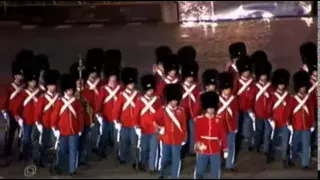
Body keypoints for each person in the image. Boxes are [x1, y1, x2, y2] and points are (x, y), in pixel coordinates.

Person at [51, 73, 84, 176]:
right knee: (63, 150)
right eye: (68, 89)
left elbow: (80, 117)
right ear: (65, 90)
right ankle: (60, 166)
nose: (70, 91)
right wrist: (54, 128)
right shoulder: (60, 102)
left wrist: (80, 129)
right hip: (63, 131)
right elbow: (54, 116)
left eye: (71, 89)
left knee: (74, 150)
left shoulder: (76, 102)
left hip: (74, 131)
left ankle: (72, 170)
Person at [193, 91, 228, 179]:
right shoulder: (199, 119)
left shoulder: (219, 119)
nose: (211, 110)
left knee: (215, 172)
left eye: (213, 108)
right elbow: (197, 134)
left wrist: (225, 148)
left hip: (215, 148)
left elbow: (222, 135)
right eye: (209, 108)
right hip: (203, 147)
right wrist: (199, 144)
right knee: (199, 171)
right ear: (206, 108)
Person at [156, 84, 187, 179]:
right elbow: (155, 120)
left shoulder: (181, 110)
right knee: (165, 158)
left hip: (177, 138)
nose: (174, 102)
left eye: (175, 100)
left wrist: (184, 138)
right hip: (166, 138)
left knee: (176, 159)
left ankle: (175, 176)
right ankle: (162, 173)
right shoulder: (163, 110)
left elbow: (183, 125)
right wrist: (160, 128)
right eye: (172, 100)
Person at [112, 67, 140, 168]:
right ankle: (122, 158)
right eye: (130, 83)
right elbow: (116, 109)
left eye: (133, 83)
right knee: (124, 142)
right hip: (124, 123)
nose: (132, 85)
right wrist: (116, 120)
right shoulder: (122, 95)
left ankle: (134, 160)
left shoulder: (137, 95)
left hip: (133, 124)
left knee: (134, 143)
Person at [1, 53, 27, 160]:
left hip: (22, 113)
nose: (22, 76)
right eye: (20, 74)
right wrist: (4, 111)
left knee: (22, 133)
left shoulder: (25, 87)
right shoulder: (9, 87)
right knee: (10, 133)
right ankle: (7, 151)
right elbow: (4, 100)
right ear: (15, 75)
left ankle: (21, 152)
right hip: (11, 113)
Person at [133, 74, 162, 172]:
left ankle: (151, 167)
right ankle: (142, 163)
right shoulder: (139, 100)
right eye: (149, 89)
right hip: (143, 128)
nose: (151, 91)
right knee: (144, 149)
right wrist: (136, 126)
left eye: (152, 89)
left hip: (154, 128)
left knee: (153, 149)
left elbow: (160, 114)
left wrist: (160, 125)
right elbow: (136, 115)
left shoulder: (157, 100)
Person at [289, 71, 315, 169]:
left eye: (304, 87)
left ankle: (305, 163)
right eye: (301, 87)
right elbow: (290, 112)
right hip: (296, 125)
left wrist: (312, 123)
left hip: (307, 125)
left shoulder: (308, 98)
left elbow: (311, 111)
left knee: (306, 145)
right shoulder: (293, 98)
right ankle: (292, 159)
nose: (303, 89)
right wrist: (289, 123)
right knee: (295, 144)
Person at [34, 69, 60, 167]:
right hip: (45, 125)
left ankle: (52, 161)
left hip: (55, 125)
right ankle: (41, 160)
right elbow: (37, 113)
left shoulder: (59, 97)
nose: (53, 87)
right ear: (48, 86)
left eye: (54, 85)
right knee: (44, 144)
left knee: (54, 144)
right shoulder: (42, 98)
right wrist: (38, 124)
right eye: (52, 85)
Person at [96, 64, 122, 159]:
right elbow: (99, 102)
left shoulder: (120, 89)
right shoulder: (103, 89)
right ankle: (101, 151)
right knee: (104, 135)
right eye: (112, 79)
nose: (113, 81)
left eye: (115, 79)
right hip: (106, 117)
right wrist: (98, 113)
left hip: (117, 118)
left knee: (117, 137)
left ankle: (118, 154)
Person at [267, 69, 292, 167]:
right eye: (280, 84)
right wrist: (270, 119)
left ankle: (284, 158)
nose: (281, 86)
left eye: (283, 84)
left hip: (285, 122)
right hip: (275, 122)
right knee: (273, 140)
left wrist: (289, 121)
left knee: (285, 142)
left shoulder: (288, 95)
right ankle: (271, 155)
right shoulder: (272, 96)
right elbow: (269, 108)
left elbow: (290, 108)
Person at [217, 72, 238, 171]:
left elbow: (235, 113)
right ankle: (219, 162)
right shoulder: (217, 99)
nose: (228, 90)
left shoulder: (233, 99)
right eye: (226, 89)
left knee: (230, 146)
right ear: (222, 89)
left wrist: (236, 125)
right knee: (220, 145)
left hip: (231, 126)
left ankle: (229, 164)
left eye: (229, 88)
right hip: (220, 126)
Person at [233, 55, 255, 151]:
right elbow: (233, 94)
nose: (246, 73)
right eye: (244, 71)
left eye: (248, 71)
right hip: (238, 108)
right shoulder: (237, 81)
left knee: (248, 126)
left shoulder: (252, 81)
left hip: (249, 108)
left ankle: (248, 142)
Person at [251, 60, 273, 154]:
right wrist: (252, 110)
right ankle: (257, 145)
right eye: (262, 75)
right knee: (258, 131)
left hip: (268, 114)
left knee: (267, 132)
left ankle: (266, 149)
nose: (264, 77)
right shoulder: (255, 87)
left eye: (265, 75)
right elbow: (251, 100)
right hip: (258, 113)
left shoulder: (270, 86)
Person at [179, 62, 200, 155]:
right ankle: (182, 149)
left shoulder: (196, 87)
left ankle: (192, 149)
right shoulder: (181, 86)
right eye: (189, 76)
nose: (191, 78)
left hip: (193, 113)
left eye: (192, 76)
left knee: (193, 131)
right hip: (183, 112)